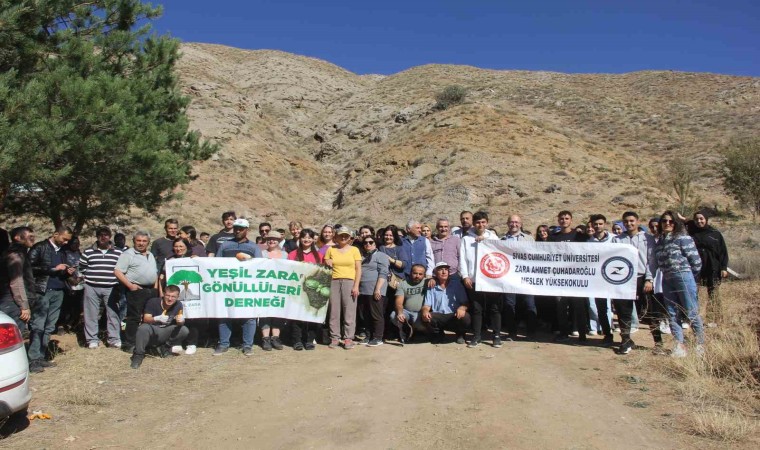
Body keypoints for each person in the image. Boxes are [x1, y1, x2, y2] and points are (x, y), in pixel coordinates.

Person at [612, 211, 666, 354]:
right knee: (623, 310)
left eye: (631, 221)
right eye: (626, 221)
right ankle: (625, 341)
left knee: (651, 311)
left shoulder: (647, 238)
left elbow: (651, 261)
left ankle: (658, 343)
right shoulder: (617, 240)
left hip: (642, 278)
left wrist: (649, 279)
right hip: (623, 279)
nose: (629, 224)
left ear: (637, 221)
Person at [654, 211, 705, 358]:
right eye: (664, 221)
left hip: (683, 276)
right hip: (667, 278)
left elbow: (696, 261)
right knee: (671, 313)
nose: (667, 224)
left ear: (676, 223)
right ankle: (679, 345)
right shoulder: (660, 241)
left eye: (671, 221)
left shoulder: (683, 238)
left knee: (691, 311)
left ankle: (700, 344)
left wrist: (689, 276)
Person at [27, 225, 75, 372]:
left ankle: (42, 356)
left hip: (58, 291)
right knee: (38, 325)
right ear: (55, 234)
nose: (66, 242)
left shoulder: (63, 251)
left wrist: (68, 272)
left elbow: (61, 271)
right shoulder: (40, 247)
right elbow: (29, 267)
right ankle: (33, 359)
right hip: (42, 291)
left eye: (68, 240)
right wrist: (53, 269)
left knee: (49, 326)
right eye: (64, 239)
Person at [213, 218, 261, 356]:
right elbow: (215, 265)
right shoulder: (225, 245)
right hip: (227, 287)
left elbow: (259, 267)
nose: (238, 231)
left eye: (241, 228)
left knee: (249, 316)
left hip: (246, 288)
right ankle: (223, 344)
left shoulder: (253, 247)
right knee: (224, 314)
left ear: (247, 230)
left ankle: (247, 345)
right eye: (236, 228)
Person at [157, 237, 205, 355]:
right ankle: (176, 342)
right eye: (176, 246)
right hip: (173, 296)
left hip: (190, 297)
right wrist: (161, 293)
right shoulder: (169, 261)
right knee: (175, 318)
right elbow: (161, 278)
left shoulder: (193, 259)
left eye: (181, 246)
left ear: (187, 247)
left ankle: (191, 343)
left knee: (192, 318)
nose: (178, 249)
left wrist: (199, 260)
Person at [459, 211, 500, 348]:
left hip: (491, 280)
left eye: (483, 222)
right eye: (477, 222)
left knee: (494, 308)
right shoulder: (466, 239)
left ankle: (496, 336)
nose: (480, 225)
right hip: (474, 279)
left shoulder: (494, 237)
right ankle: (476, 336)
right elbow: (463, 259)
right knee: (477, 309)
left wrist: (486, 242)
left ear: (487, 223)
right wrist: (465, 276)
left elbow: (500, 254)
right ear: (474, 223)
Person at [114, 231, 158, 353]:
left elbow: (154, 272)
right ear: (134, 241)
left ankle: (147, 341)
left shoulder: (150, 254)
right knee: (134, 317)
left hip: (151, 290)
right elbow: (117, 271)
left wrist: (155, 288)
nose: (141, 243)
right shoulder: (128, 254)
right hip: (136, 290)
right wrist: (130, 285)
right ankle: (130, 343)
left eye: (144, 241)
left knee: (149, 317)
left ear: (148, 242)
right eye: (138, 240)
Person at [80, 227, 123, 349]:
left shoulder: (119, 252)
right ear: (97, 237)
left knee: (113, 313)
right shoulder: (88, 252)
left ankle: (114, 339)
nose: (103, 237)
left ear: (110, 237)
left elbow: (122, 268)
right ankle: (92, 339)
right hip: (91, 287)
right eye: (100, 235)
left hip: (111, 287)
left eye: (106, 235)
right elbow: (82, 267)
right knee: (91, 314)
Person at [129, 285, 189, 369]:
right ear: (164, 294)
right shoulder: (153, 302)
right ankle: (138, 354)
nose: (170, 299)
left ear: (178, 297)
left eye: (173, 297)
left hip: (165, 331)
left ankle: (164, 347)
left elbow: (180, 323)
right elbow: (145, 319)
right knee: (143, 328)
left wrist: (181, 321)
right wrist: (156, 318)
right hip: (153, 330)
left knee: (184, 330)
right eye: (168, 295)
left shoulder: (178, 305)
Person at [549, 211, 587, 342]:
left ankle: (582, 334)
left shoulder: (579, 235)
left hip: (576, 277)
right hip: (559, 278)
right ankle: (563, 332)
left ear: (571, 220)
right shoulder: (553, 237)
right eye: (561, 219)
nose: (564, 220)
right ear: (558, 220)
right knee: (560, 307)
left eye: (566, 218)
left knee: (579, 307)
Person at [324, 226, 362, 349]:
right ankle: (334, 337)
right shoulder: (331, 249)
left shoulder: (354, 250)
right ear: (336, 237)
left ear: (350, 237)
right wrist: (327, 261)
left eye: (346, 235)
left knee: (349, 311)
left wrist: (356, 286)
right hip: (334, 281)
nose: (343, 237)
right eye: (341, 235)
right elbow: (326, 261)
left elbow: (358, 269)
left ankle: (348, 338)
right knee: (334, 311)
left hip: (349, 282)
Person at [501, 215, 538, 340]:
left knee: (529, 304)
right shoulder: (501, 240)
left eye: (516, 222)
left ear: (521, 224)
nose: (514, 224)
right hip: (509, 278)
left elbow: (536, 257)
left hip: (526, 277)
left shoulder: (529, 239)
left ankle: (531, 332)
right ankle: (512, 332)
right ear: (507, 224)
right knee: (509, 305)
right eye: (511, 222)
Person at [688, 211, 729, 325]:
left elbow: (723, 252)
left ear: (706, 219)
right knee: (693, 292)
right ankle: (693, 318)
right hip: (695, 268)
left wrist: (723, 268)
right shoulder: (690, 233)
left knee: (713, 293)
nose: (699, 221)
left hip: (713, 267)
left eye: (701, 219)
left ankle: (713, 319)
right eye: (696, 219)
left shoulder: (715, 234)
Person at [420, 262, 471, 344]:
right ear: (435, 273)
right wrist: (425, 311)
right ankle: (439, 334)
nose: (444, 272)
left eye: (446, 270)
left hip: (454, 316)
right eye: (440, 270)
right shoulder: (432, 287)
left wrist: (462, 308)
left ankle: (460, 334)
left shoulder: (457, 285)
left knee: (465, 317)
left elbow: (466, 302)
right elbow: (427, 305)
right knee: (426, 316)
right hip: (439, 316)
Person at [288, 229, 322, 350]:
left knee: (312, 315)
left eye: (309, 237)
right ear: (299, 239)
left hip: (314, 291)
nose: (306, 239)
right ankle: (297, 340)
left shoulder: (319, 255)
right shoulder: (292, 254)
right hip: (297, 289)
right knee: (297, 316)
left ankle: (309, 340)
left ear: (313, 239)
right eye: (304, 237)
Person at [0, 227, 36, 334]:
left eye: (33, 236)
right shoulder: (16, 255)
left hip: (11, 300)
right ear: (17, 238)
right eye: (30, 236)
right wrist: (24, 306)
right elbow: (17, 282)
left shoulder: (17, 252)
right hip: (12, 302)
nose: (33, 239)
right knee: (12, 335)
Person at [357, 235, 389, 346]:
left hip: (375, 289)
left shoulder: (381, 256)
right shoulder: (362, 257)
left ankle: (378, 337)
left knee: (376, 314)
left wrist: (378, 289)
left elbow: (383, 273)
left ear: (375, 244)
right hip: (362, 290)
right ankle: (368, 335)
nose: (368, 244)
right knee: (365, 315)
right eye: (365, 243)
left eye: (371, 242)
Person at [260, 230, 286, 351]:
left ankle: (275, 338)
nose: (272, 241)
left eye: (274, 239)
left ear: (279, 241)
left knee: (277, 313)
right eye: (269, 238)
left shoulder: (285, 255)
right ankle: (265, 338)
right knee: (265, 313)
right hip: (265, 288)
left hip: (280, 288)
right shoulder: (261, 254)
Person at [390, 264, 427, 345]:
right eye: (415, 273)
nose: (417, 276)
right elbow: (399, 302)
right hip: (407, 311)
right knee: (393, 315)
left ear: (424, 275)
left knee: (420, 324)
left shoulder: (427, 282)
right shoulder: (403, 284)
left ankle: (416, 332)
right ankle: (406, 330)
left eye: (420, 274)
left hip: (420, 313)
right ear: (410, 273)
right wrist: (400, 313)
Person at [58, 236, 84, 333]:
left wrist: (80, 278)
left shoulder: (79, 253)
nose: (76, 245)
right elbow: (63, 270)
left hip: (80, 283)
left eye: (78, 243)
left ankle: (72, 325)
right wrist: (71, 279)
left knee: (77, 307)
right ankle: (61, 325)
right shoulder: (64, 254)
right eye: (74, 243)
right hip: (68, 284)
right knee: (66, 306)